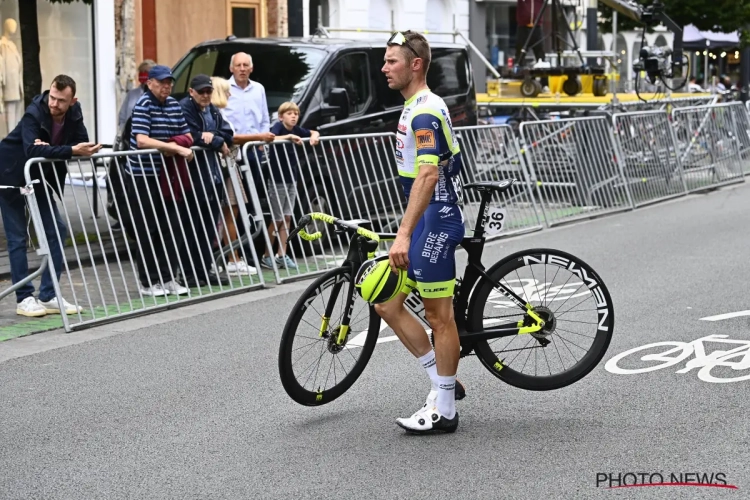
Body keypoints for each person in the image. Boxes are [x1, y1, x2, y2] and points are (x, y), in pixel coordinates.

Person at [379, 31, 466, 434]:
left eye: (392, 61)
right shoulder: (415, 105)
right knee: (387, 304)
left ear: (415, 64)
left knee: (438, 316)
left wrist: (402, 234)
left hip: (439, 218)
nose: (384, 68)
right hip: (427, 216)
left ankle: (444, 409)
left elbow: (428, 173)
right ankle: (441, 383)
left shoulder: (425, 111)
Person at [0, 75, 101, 317]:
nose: (54, 104)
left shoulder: (74, 114)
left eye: (61, 101)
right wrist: (64, 149)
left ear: (72, 100)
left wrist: (51, 148)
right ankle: (24, 298)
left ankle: (48, 294)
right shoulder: (34, 112)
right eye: (52, 98)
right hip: (11, 175)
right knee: (17, 239)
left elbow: (81, 142)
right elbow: (32, 149)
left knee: (57, 230)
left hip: (37, 179)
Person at [125, 64, 193, 297]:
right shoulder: (143, 104)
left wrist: (174, 145)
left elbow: (187, 134)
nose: (167, 86)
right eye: (162, 82)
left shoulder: (173, 104)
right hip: (143, 175)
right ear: (150, 83)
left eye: (169, 82)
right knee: (148, 228)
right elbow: (142, 140)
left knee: (171, 226)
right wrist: (172, 146)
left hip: (167, 174)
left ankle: (167, 277)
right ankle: (148, 281)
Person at [179, 74, 235, 287]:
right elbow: (190, 134)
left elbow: (227, 132)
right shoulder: (185, 108)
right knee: (191, 227)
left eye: (208, 91)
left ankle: (205, 270)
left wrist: (214, 138)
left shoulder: (212, 109)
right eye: (200, 91)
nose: (205, 95)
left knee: (209, 227)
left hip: (213, 177)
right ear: (191, 92)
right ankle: (188, 273)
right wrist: (213, 138)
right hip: (194, 177)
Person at [262, 102, 320, 271]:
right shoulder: (278, 128)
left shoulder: (296, 130)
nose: (294, 116)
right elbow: (270, 137)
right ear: (281, 116)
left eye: (296, 113)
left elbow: (312, 131)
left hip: (291, 179)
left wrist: (314, 136)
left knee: (287, 217)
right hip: (277, 179)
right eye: (289, 113)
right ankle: (266, 255)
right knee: (277, 218)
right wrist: (287, 138)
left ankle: (282, 254)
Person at [210, 75, 257, 276]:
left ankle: (229, 257)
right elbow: (231, 137)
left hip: (229, 165)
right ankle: (231, 258)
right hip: (225, 166)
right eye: (226, 90)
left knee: (231, 213)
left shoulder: (218, 113)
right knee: (229, 213)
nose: (230, 93)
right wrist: (259, 136)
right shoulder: (217, 113)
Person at [117, 59, 157, 131]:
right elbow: (122, 117)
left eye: (146, 72)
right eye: (141, 72)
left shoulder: (158, 95)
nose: (143, 74)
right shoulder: (132, 94)